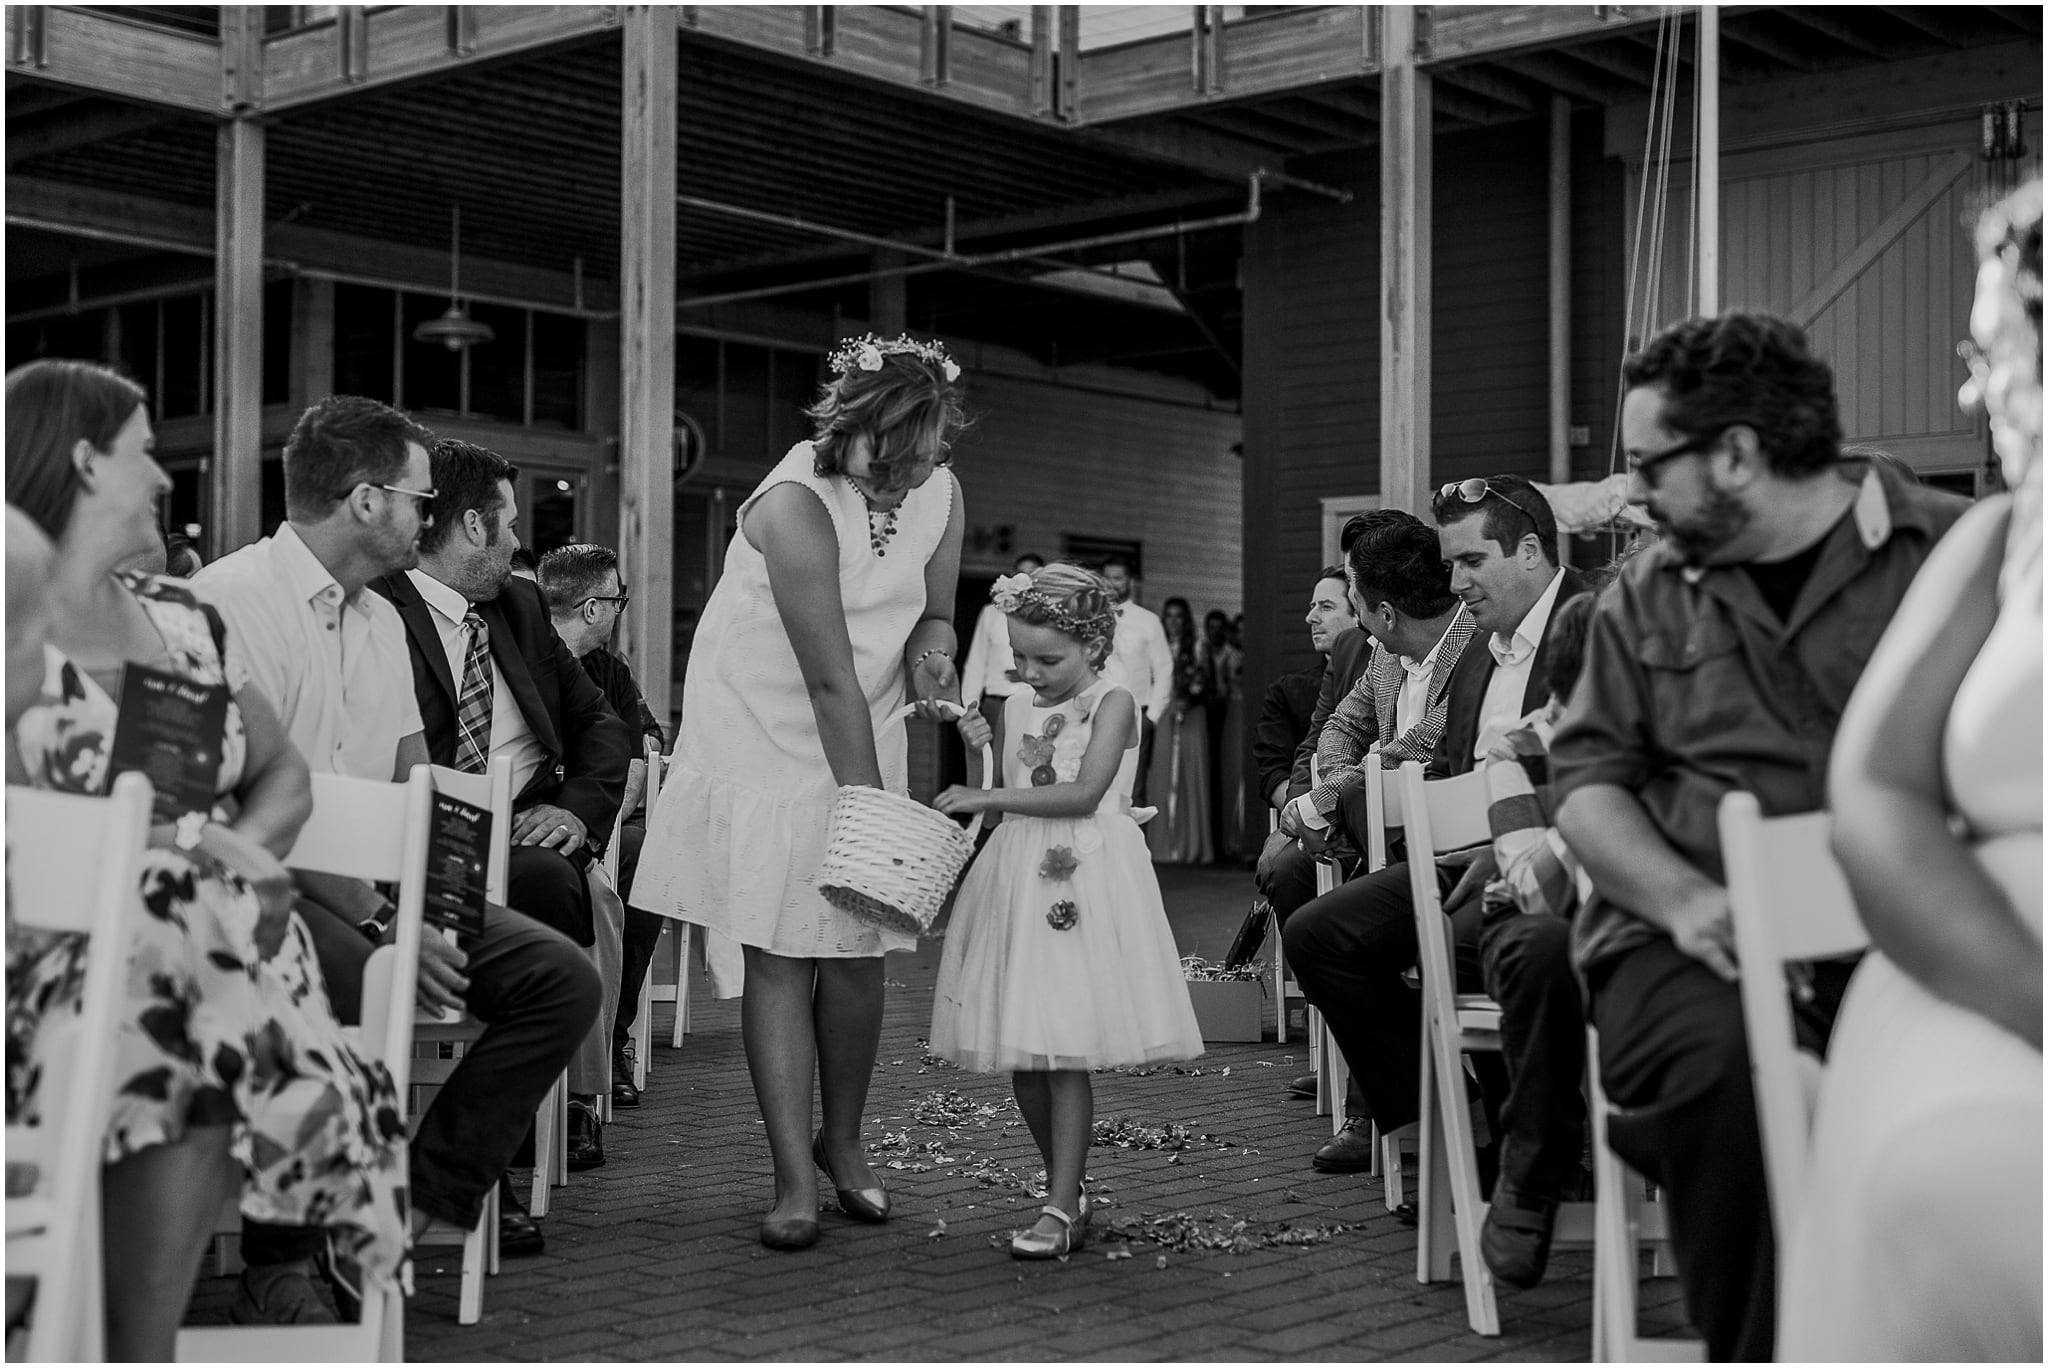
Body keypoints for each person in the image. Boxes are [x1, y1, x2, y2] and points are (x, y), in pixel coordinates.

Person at [1551, 312, 1968, 1361]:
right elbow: (1587, 785)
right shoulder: (1638, 597)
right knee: (1732, 1077)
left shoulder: (1952, 555)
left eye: (1647, 465)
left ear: (1735, 452)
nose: (1632, 495)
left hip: (1911, 943)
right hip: (1680, 942)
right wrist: (1685, 903)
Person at [3, 360, 405, 1359]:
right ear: (87, 459)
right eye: (145, 451)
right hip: (48, 946)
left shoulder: (184, 620)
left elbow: (280, 774)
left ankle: (108, 1340)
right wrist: (181, 861)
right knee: (178, 995)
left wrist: (235, 854)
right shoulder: (11, 609)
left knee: (185, 976)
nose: (164, 476)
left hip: (215, 938)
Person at [195, 396, 600, 1288]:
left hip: (381, 901)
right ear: (368, 502)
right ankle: (287, 1265)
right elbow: (227, 816)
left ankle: (408, 1206)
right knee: (366, 979)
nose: (428, 521)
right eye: (421, 501)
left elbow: (423, 794)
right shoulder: (227, 605)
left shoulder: (379, 620)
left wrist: (444, 911)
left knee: (560, 977)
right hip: (267, 899)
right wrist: (389, 925)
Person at [1778, 180, 2042, 1361]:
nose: (1966, 391)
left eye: (1992, 351)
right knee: (1963, 1177)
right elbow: (1874, 799)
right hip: (1988, 963)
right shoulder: (1996, 544)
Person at [630, 331, 968, 1251]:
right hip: (768, 727)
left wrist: (935, 663)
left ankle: (844, 1143)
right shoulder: (792, 504)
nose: (909, 482)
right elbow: (826, 682)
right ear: (850, 433)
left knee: (857, 954)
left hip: (867, 715)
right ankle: (789, 1179)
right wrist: (872, 816)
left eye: (925, 460)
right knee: (781, 949)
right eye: (894, 465)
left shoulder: (939, 488)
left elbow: (932, 614)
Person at [1282, 479, 1589, 1175]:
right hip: (1461, 854)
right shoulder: (1480, 649)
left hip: (1556, 855)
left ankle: (1529, 1151)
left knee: (1459, 945)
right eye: (1451, 564)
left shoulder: (1592, 619)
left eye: (1472, 562)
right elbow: (1434, 759)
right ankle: (1447, 1118)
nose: (1454, 582)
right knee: (1318, 934)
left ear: (1532, 551)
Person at [372, 439, 634, 1172]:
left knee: (569, 878)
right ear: (475, 528)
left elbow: (600, 727)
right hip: (423, 835)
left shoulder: (518, 607)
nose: (522, 541)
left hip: (526, 826)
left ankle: (552, 1113)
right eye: (511, 524)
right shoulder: (379, 610)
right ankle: (496, 1137)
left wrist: (578, 812)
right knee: (555, 887)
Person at [928, 564, 1204, 1258]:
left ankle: (1059, 1202)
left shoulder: (1115, 701)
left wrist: (984, 797)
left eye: (1047, 659)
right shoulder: (1014, 705)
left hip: (1084, 878)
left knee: (1064, 1047)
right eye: (1018, 656)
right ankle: (1066, 1189)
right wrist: (983, 758)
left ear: (1095, 644)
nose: (1029, 671)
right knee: (1025, 1051)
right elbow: (1016, 788)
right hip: (1022, 877)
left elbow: (1083, 793)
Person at [538, 541, 670, 1109]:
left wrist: (613, 808)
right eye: (619, 599)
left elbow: (645, 738)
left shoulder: (610, 672)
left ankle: (614, 1037)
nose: (622, 609)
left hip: (607, 816)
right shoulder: (527, 656)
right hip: (545, 818)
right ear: (594, 608)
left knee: (648, 856)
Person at [1252, 566, 1355, 817]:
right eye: (1312, 606)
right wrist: (1306, 814)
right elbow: (1273, 773)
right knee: (1270, 858)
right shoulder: (1287, 692)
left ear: (1358, 614)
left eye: (1326, 607)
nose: (1311, 617)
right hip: (1304, 818)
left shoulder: (1382, 680)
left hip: (1365, 810)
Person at [1144, 596, 1213, 863]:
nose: (1173, 622)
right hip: (1163, 713)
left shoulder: (1197, 647)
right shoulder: (1156, 646)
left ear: (1185, 620)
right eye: (1168, 616)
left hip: (1191, 715)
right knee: (1161, 773)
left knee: (1190, 773)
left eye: (1178, 616)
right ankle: (1163, 845)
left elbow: (1209, 685)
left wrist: (1190, 697)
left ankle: (1191, 845)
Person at [1099, 552, 1172, 804]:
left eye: (1117, 578)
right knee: (1097, 781)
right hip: (1096, 709)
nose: (1111, 584)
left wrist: (1152, 716)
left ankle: (1133, 841)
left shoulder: (1148, 621)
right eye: (1106, 578)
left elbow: (1164, 668)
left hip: (1136, 713)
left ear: (1130, 581)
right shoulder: (1090, 618)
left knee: (1134, 787)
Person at [960, 551, 1046, 725]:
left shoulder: (1049, 616)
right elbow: (976, 663)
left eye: (1031, 574)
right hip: (996, 703)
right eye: (1019, 574)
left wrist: (1026, 675)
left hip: (1035, 701)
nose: (1025, 579)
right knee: (992, 753)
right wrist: (969, 708)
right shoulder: (991, 613)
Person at [1202, 607, 1249, 859]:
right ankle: (1227, 842)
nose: (1241, 635)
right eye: (1238, 631)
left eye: (1245, 630)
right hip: (1232, 713)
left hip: (1245, 713)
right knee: (1228, 776)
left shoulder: (1251, 656)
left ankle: (1241, 839)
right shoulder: (1229, 657)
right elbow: (1220, 690)